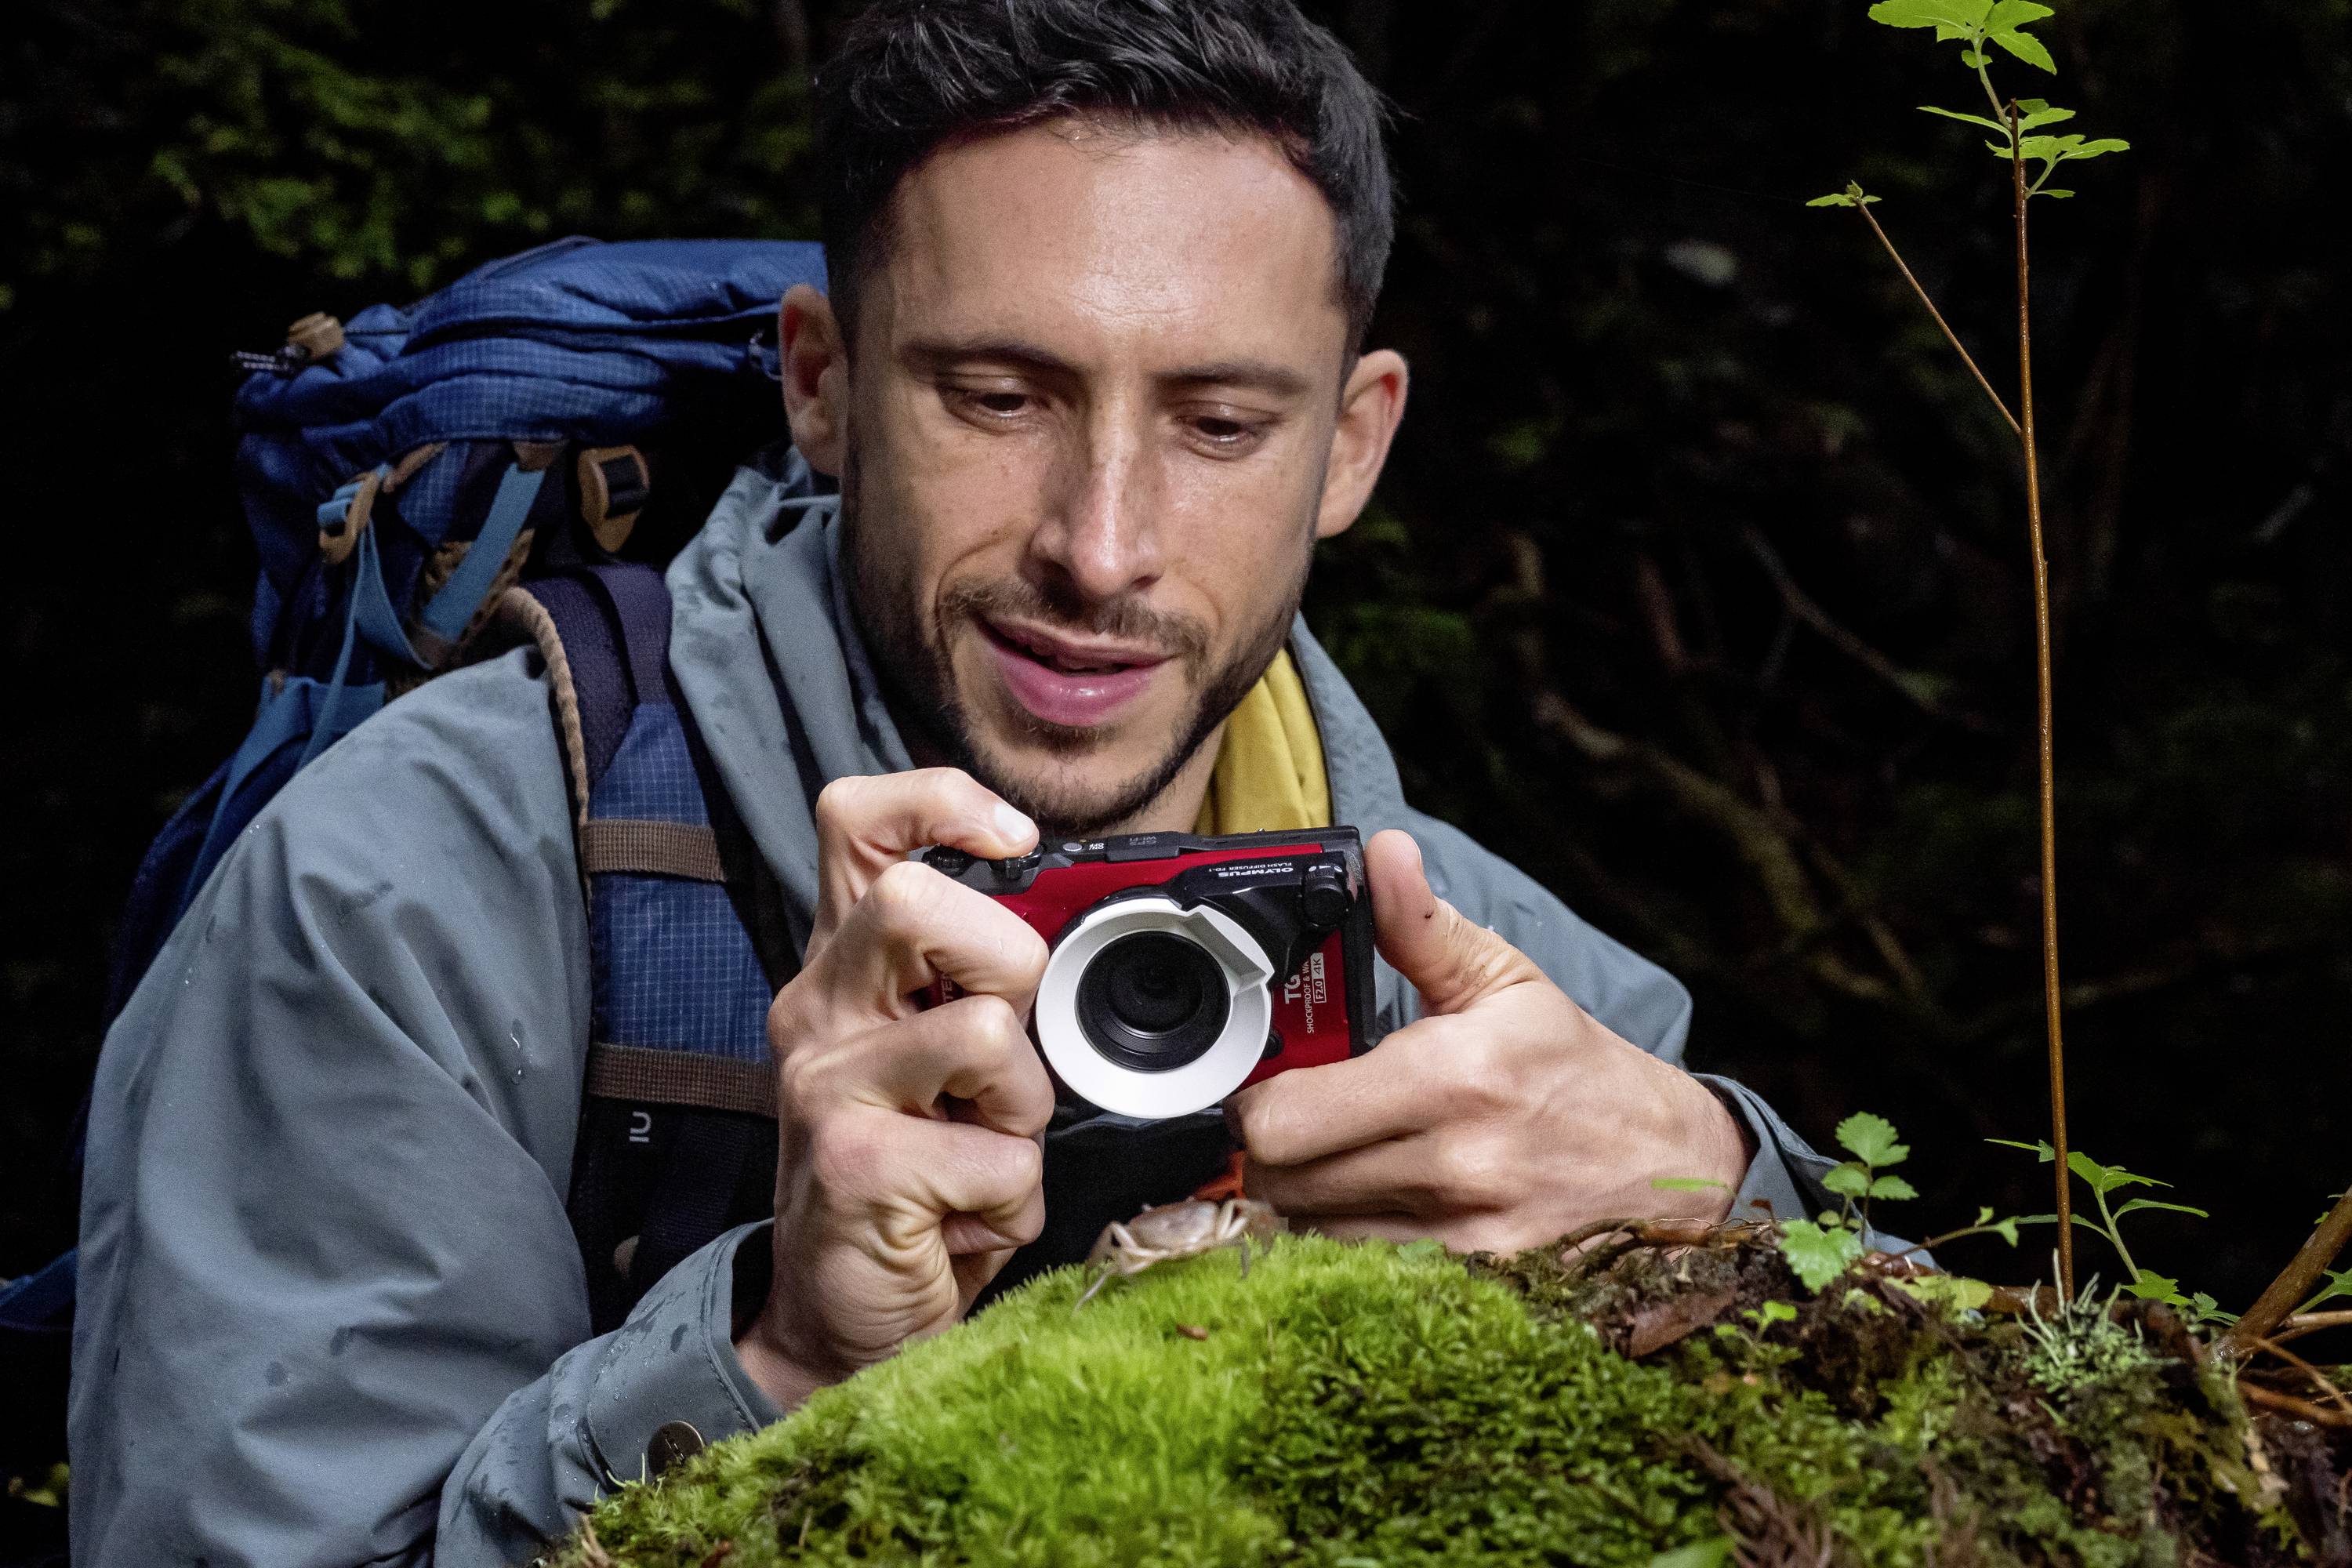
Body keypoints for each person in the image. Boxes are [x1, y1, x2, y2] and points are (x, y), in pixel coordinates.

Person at [69, 1, 1837, 1563]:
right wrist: (775, 1365)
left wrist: (1725, 1192)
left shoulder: (1479, 965)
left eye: (1223, 424)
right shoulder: (413, 895)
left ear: (1352, 440)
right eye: (998, 396)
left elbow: (1990, 1407)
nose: (1104, 547)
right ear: (823, 383)